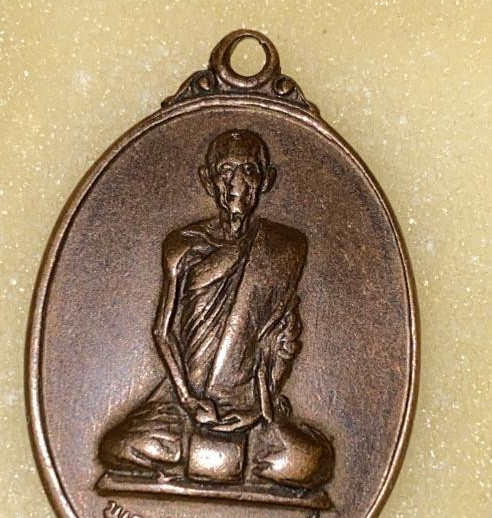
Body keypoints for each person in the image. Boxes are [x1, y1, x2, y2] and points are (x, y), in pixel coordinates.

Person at [99, 129, 333, 490]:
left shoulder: (284, 248)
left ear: (266, 180)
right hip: (182, 403)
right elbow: (162, 332)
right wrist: (188, 399)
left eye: (249, 171)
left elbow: (284, 341)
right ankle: (227, 458)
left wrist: (257, 408)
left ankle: (222, 454)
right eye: (226, 172)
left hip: (253, 405)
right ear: (208, 180)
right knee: (115, 449)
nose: (237, 184)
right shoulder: (182, 246)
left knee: (312, 463)